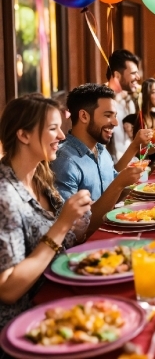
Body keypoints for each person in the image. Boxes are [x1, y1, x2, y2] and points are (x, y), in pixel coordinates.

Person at [0, 94, 93, 329]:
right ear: (23, 135)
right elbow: (8, 290)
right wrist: (63, 224)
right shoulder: (5, 195)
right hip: (26, 326)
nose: (62, 136)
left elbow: (67, 238)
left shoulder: (40, 175)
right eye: (53, 129)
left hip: (61, 298)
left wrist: (75, 225)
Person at [51, 84, 146, 202]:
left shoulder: (101, 150)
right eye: (108, 115)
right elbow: (74, 220)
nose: (116, 123)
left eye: (115, 116)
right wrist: (119, 184)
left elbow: (112, 193)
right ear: (84, 116)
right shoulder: (65, 161)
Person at [106, 49, 141, 162]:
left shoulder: (129, 101)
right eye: (133, 73)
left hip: (133, 165)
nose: (138, 77)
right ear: (117, 75)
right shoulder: (100, 104)